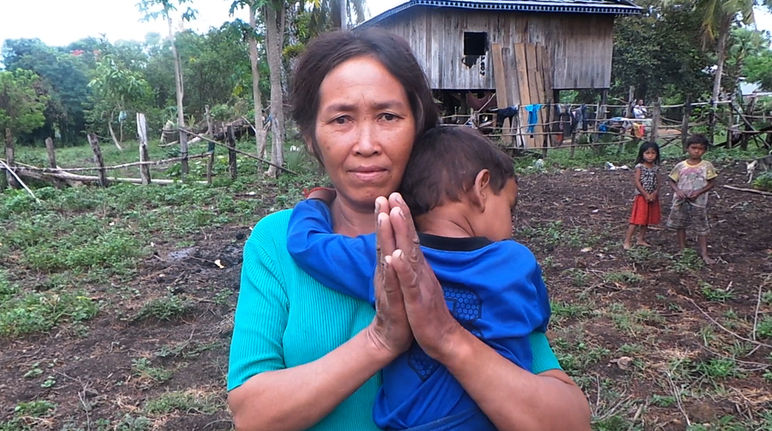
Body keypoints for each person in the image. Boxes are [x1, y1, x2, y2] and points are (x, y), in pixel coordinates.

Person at [227, 28, 591, 431]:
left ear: (419, 128)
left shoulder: (466, 249)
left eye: (388, 116)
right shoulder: (275, 242)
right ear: (312, 137)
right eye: (342, 118)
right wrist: (379, 341)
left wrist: (448, 338)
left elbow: (568, 420)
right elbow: (252, 415)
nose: (366, 143)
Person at [287, 126, 550, 430]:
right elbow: (539, 321)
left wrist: (317, 201)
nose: (511, 225)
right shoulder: (516, 262)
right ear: (482, 187)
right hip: (501, 415)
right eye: (509, 207)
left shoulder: (386, 255)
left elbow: (304, 242)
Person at [666, 134, 718, 264]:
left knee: (701, 227)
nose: (696, 151)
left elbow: (712, 182)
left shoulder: (707, 166)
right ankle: (682, 249)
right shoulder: (680, 166)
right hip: (680, 201)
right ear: (687, 148)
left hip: (698, 202)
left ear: (704, 150)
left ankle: (704, 254)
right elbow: (672, 180)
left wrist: (699, 191)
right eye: (693, 148)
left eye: (700, 148)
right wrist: (678, 191)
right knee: (680, 225)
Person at [623, 141, 661, 250]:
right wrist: (645, 194)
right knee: (636, 219)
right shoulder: (640, 167)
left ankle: (640, 239)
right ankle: (627, 241)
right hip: (641, 197)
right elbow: (637, 182)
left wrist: (654, 194)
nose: (650, 156)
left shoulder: (656, 168)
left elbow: (659, 183)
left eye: (653, 153)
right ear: (642, 154)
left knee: (646, 219)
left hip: (653, 197)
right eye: (647, 153)